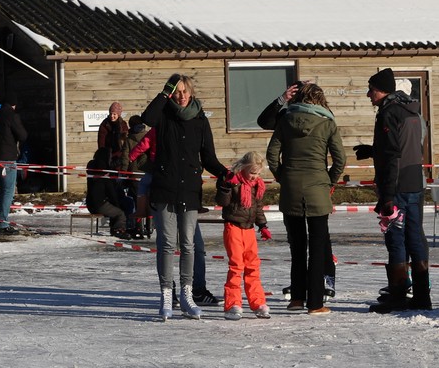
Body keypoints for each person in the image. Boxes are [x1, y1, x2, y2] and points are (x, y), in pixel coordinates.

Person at [144, 73, 229, 321]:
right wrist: (164, 92)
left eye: (185, 91)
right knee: (167, 244)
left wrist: (226, 173)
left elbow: (208, 157)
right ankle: (166, 295)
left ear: (191, 93)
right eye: (177, 92)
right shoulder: (163, 114)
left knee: (189, 245)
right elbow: (148, 118)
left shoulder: (200, 119)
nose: (181, 96)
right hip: (165, 188)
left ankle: (187, 295)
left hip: (190, 190)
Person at [265, 82, 345, 313]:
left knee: (297, 247)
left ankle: (297, 298)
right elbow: (340, 159)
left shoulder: (285, 120)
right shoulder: (327, 123)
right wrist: (329, 181)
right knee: (318, 247)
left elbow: (272, 154)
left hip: (291, 188)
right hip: (317, 189)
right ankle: (315, 302)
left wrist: (282, 176)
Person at [367, 68, 431, 312]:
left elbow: (393, 154)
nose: (369, 95)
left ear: (382, 91)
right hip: (415, 181)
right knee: (415, 237)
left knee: (395, 239)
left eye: (371, 90)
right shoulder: (412, 111)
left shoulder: (388, 113)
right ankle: (422, 296)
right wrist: (373, 150)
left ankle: (397, 296)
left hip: (397, 186)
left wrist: (387, 195)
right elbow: (404, 146)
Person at [215, 151, 272, 319]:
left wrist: (263, 225)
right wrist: (226, 186)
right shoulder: (232, 180)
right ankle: (232, 304)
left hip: (249, 229)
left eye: (257, 173)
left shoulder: (257, 185)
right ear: (244, 168)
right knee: (236, 266)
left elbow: (257, 208)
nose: (254, 176)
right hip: (233, 227)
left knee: (253, 266)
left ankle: (258, 302)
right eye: (252, 172)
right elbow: (222, 202)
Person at [0, 98, 28, 234]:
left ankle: (1, 221)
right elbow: (22, 135)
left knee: (2, 191)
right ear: (13, 104)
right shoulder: (12, 115)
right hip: (7, 158)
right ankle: (2, 225)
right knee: (8, 191)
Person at [85, 148, 130, 237]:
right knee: (120, 213)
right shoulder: (105, 174)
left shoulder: (92, 170)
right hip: (100, 204)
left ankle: (114, 228)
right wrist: (117, 204)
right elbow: (111, 193)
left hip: (90, 203)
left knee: (114, 209)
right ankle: (119, 230)